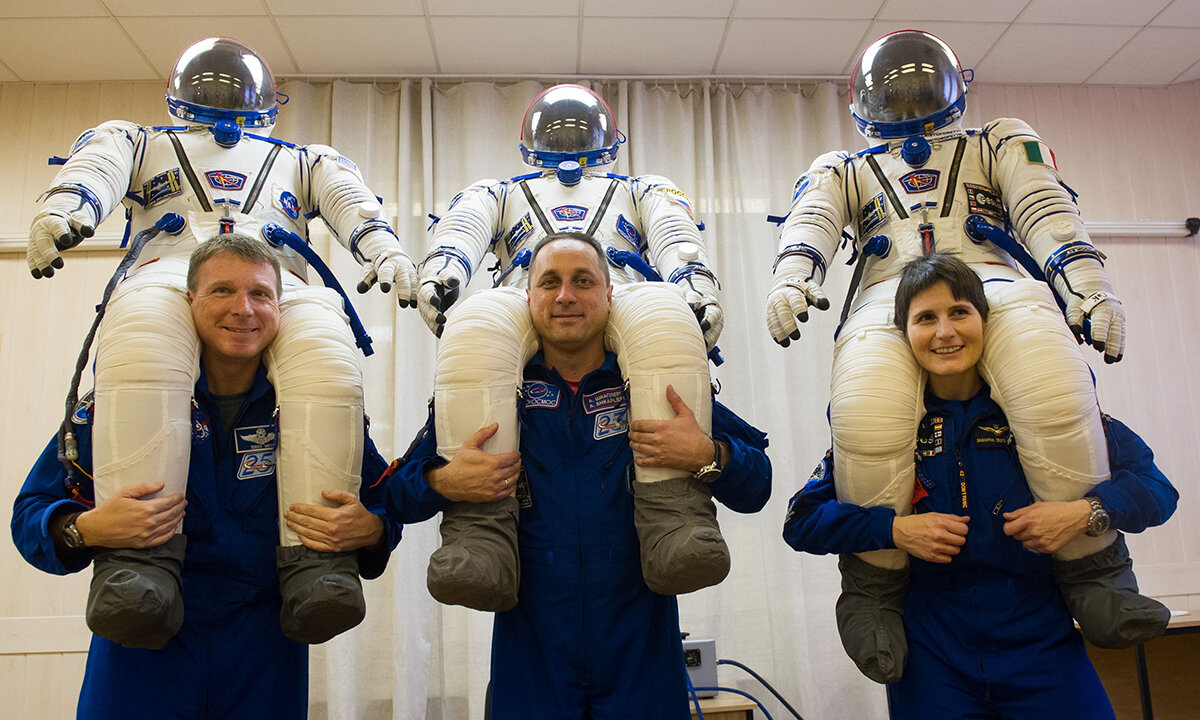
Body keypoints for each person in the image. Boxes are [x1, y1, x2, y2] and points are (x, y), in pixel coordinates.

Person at [765, 29, 1167, 680]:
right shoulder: (841, 168)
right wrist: (793, 274)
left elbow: (1045, 209)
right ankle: (874, 591)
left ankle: (1097, 575)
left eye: (922, 84)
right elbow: (812, 220)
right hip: (888, 295)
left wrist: (1087, 287)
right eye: (893, 91)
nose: (910, 99)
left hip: (990, 283)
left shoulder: (999, 141)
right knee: (866, 407)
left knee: (1047, 370)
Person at [24, 37, 417, 648]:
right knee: (141, 344)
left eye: (239, 96)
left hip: (259, 641)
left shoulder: (305, 161)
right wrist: (67, 212)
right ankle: (137, 564)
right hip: (165, 276)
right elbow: (95, 170)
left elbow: (351, 204)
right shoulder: (137, 142)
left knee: (329, 364)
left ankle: (317, 566)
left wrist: (386, 253)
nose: (227, 108)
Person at [12, 235, 402, 719]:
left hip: (263, 655)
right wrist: (85, 529)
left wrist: (373, 529)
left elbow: (383, 505)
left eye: (260, 294)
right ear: (190, 300)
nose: (244, 309)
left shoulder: (313, 411)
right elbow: (30, 515)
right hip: (142, 646)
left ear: (279, 306)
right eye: (222, 291)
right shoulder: (125, 402)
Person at [385, 232, 770, 718]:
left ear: (610, 295)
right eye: (550, 282)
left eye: (582, 281)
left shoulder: (656, 382)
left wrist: (706, 454)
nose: (566, 296)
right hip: (531, 654)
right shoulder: (493, 388)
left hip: (640, 649)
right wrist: (442, 483)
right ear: (529, 297)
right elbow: (394, 497)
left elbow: (759, 485)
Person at [783, 253, 1178, 718]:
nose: (945, 333)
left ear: (984, 320)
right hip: (933, 652)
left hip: (1042, 640)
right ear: (905, 333)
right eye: (925, 318)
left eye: (959, 313)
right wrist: (893, 531)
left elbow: (1157, 490)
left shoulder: (1045, 412)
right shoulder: (885, 429)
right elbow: (801, 521)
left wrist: (1083, 512)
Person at [416, 84, 729, 610]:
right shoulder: (497, 192)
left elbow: (677, 238)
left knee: (666, 319)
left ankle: (678, 523)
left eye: (582, 280)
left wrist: (694, 288)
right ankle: (478, 537)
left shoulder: (644, 189)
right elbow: (461, 232)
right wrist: (444, 273)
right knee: (474, 327)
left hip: (632, 312)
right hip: (517, 321)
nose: (569, 144)